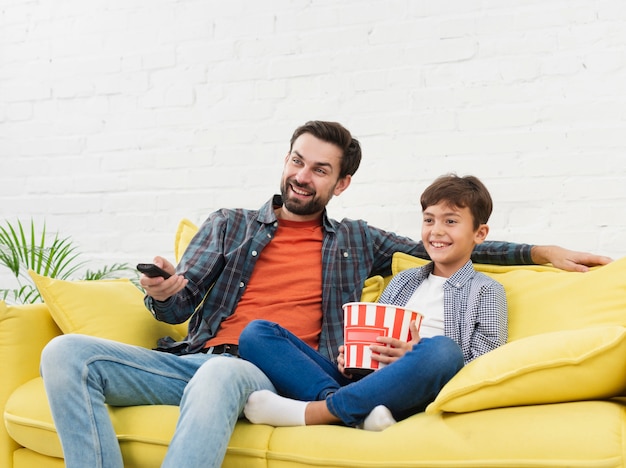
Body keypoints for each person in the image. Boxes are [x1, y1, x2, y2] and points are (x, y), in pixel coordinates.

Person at [39, 121, 611, 468]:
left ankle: (321, 411)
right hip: (192, 359)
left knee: (229, 368)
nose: (301, 176)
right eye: (296, 161)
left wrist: (537, 252)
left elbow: (447, 242)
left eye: (319, 169)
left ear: (340, 183)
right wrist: (164, 291)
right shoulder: (228, 224)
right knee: (64, 354)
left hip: (262, 373)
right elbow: (178, 308)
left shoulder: (359, 240)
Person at [239, 174, 506, 431]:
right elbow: (374, 341)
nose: (436, 231)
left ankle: (315, 412)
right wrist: (353, 358)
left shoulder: (486, 291)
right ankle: (351, 411)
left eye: (450, 222)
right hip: (367, 381)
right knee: (257, 333)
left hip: (417, 387)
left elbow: (485, 367)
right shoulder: (404, 281)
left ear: (479, 233)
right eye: (428, 220)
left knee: (444, 351)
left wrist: (412, 356)